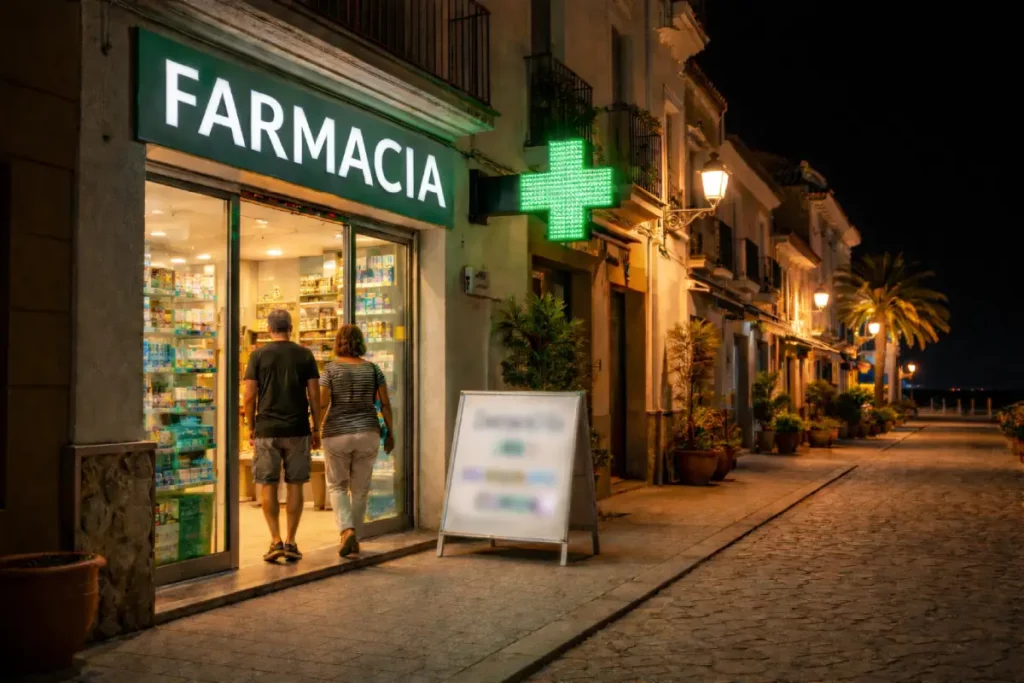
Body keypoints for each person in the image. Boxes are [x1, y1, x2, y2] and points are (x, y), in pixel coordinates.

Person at [242, 309, 321, 563]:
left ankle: (275, 540)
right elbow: (314, 394)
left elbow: (249, 395)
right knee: (296, 484)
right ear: (291, 327)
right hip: (298, 429)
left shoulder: (258, 355)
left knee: (268, 483)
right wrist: (316, 426)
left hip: (267, 430)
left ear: (269, 329)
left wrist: (250, 425)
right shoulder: (305, 355)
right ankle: (292, 541)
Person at [319, 324, 394, 557]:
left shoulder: (330, 370)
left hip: (336, 433)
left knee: (337, 486)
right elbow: (384, 404)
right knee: (360, 490)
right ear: (360, 343)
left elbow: (322, 403)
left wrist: (314, 429)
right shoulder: (373, 370)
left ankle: (347, 531)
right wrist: (391, 432)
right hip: (368, 433)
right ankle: (355, 539)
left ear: (338, 343)